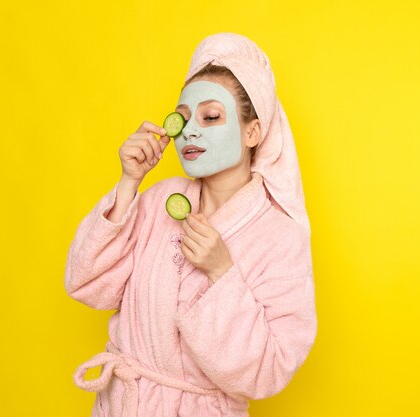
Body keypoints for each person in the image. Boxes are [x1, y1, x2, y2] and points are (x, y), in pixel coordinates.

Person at [64, 32, 317, 417]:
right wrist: (129, 183)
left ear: (253, 132)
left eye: (211, 117)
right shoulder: (158, 200)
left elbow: (270, 370)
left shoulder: (281, 236)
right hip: (125, 406)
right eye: (182, 118)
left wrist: (222, 272)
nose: (191, 131)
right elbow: (86, 285)